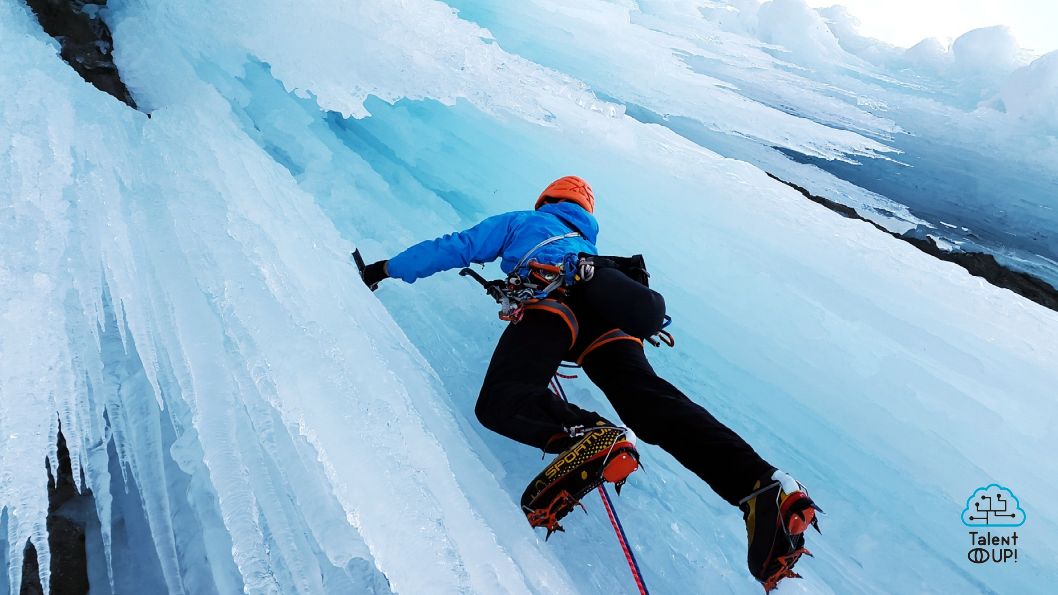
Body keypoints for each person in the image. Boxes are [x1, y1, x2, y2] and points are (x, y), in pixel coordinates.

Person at [360, 176, 820, 590]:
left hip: (554, 304)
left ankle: (590, 434)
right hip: (611, 320)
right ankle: (762, 484)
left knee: (504, 398)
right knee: (649, 402)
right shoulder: (592, 252)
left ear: (546, 201)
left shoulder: (524, 222)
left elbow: (455, 245)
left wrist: (383, 270)